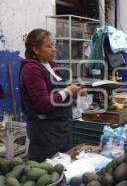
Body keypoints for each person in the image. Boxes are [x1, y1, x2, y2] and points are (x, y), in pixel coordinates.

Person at [20, 29, 84, 162]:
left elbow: (59, 94)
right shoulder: (32, 69)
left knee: (65, 168)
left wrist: (75, 92)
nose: (54, 49)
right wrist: (67, 91)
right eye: (48, 46)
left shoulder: (51, 65)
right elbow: (44, 104)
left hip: (62, 130)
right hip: (45, 134)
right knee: (49, 172)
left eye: (53, 45)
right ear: (35, 49)